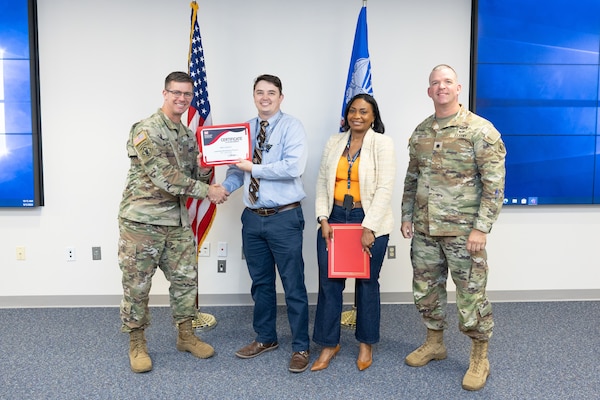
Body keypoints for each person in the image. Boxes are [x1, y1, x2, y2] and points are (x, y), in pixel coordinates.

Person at [401, 64, 506, 391]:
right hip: (425, 231)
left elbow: (494, 185)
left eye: (447, 81)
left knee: (471, 295)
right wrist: (407, 216)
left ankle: (479, 356)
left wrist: (481, 228)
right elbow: (412, 179)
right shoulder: (421, 132)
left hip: (464, 233)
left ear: (458, 88)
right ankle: (435, 342)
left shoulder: (480, 131)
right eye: (435, 83)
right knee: (426, 291)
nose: (441, 87)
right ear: (429, 91)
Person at [118, 71, 227, 373]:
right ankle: (137, 342)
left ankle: (186, 335)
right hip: (142, 223)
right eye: (176, 93)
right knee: (137, 287)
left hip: (177, 222)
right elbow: (164, 176)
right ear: (165, 94)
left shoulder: (188, 136)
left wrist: (206, 170)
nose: (181, 99)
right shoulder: (145, 130)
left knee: (185, 282)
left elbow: (193, 176)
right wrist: (209, 190)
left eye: (187, 95)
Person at [219, 74, 311, 373]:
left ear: (281, 97)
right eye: (260, 92)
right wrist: (226, 188)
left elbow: (293, 167)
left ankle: (300, 346)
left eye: (271, 93)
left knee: (293, 284)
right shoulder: (243, 130)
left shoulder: (292, 126)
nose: (265, 97)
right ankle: (266, 337)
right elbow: (236, 171)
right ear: (254, 96)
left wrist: (253, 167)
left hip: (284, 217)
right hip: (253, 218)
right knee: (260, 284)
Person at [312, 93, 396, 372]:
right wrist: (323, 218)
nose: (357, 116)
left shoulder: (382, 144)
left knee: (367, 283)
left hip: (368, 219)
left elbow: (385, 188)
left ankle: (365, 343)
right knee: (329, 283)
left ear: (373, 117)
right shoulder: (334, 142)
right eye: (352, 111)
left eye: (363, 112)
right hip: (334, 218)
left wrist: (369, 227)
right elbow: (323, 181)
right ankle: (328, 343)